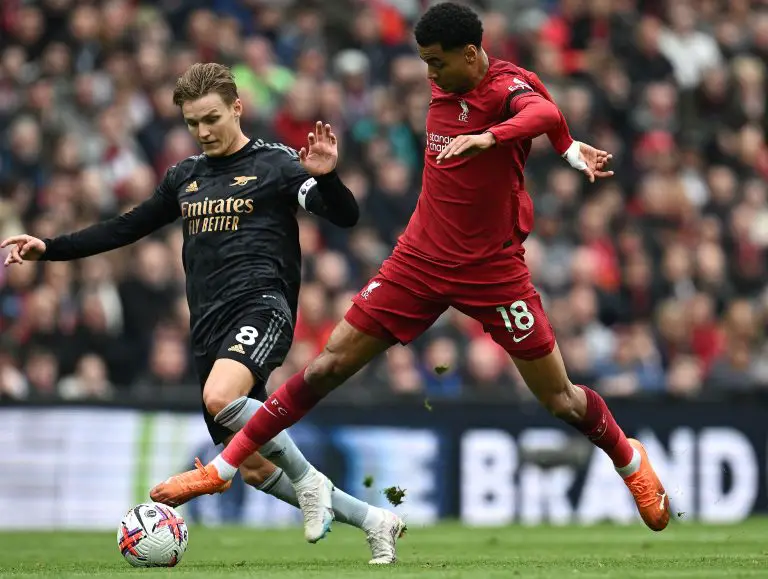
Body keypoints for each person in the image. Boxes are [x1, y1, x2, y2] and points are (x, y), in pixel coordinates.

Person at [151, 3, 670, 534]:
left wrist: (500, 139)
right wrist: (566, 150)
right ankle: (219, 469)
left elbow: (542, 113)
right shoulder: (450, 82)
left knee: (559, 398)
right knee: (328, 364)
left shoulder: (507, 87)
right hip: (418, 261)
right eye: (424, 63)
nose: (430, 75)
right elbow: (553, 120)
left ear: (470, 54)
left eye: (437, 64)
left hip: (494, 272)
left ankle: (630, 461)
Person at [1, 62, 405, 564]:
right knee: (255, 467)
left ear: (237, 107)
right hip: (208, 327)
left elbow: (343, 215)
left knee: (221, 397)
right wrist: (50, 247)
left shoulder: (275, 164)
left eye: (212, 117)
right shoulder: (184, 177)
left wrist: (331, 179)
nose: (203, 131)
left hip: (262, 305)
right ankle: (376, 520)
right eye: (193, 123)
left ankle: (311, 484)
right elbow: (127, 227)